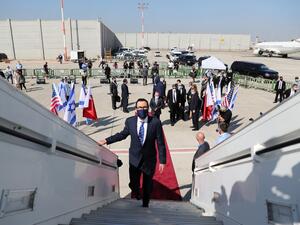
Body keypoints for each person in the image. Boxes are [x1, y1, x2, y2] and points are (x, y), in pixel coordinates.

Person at [99, 98, 166, 208]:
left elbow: (160, 143)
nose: (142, 109)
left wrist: (162, 161)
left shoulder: (155, 122)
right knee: (134, 183)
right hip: (135, 159)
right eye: (140, 107)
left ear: (148, 108)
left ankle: (145, 204)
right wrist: (107, 140)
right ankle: (135, 190)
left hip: (149, 159)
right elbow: (122, 135)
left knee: (147, 184)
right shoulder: (130, 121)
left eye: (145, 107)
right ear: (136, 109)